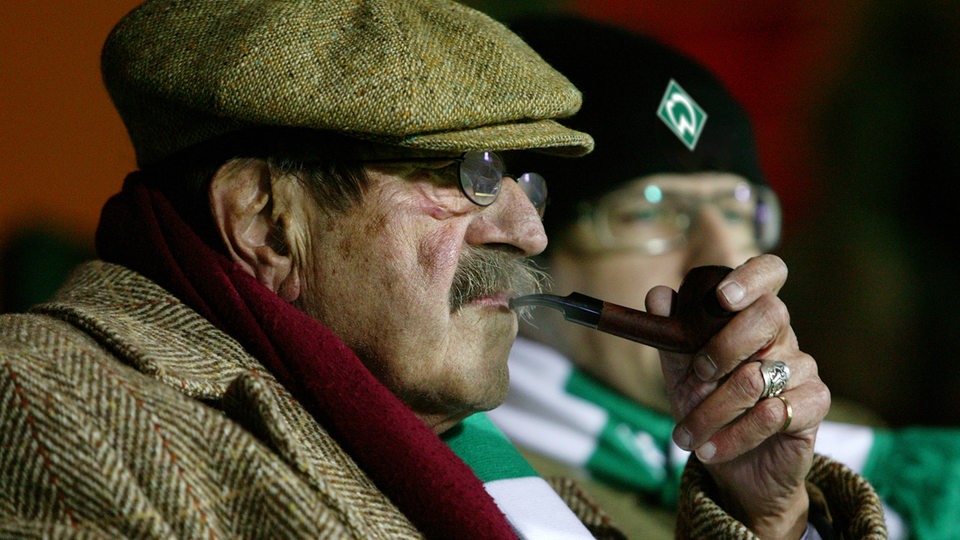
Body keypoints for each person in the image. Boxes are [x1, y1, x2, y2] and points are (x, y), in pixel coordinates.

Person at [0, 1, 884, 538]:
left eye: (523, 179)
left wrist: (768, 516)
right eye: (470, 179)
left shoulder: (462, 449)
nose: (529, 231)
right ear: (267, 223)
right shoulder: (47, 403)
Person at [487, 14, 959, 540]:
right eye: (648, 213)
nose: (723, 257)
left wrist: (779, 520)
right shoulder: (478, 478)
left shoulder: (842, 440)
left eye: (739, 212)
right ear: (524, 253)